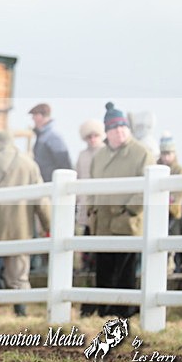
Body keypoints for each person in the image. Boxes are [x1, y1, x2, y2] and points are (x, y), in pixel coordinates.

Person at [87, 102, 153, 318]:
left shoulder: (141, 153)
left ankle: (124, 312)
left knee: (125, 270)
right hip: (102, 223)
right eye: (114, 128)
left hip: (126, 223)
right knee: (103, 269)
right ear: (107, 132)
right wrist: (91, 210)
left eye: (123, 126)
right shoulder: (99, 156)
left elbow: (147, 189)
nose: (120, 131)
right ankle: (104, 311)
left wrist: (129, 211)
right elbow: (91, 186)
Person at [0, 131, 50, 317]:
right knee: (19, 277)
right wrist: (49, 225)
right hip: (20, 228)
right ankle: (21, 313)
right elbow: (41, 200)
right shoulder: (29, 164)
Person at [76, 119, 106, 316]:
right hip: (85, 212)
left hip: (100, 212)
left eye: (95, 135)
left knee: (99, 258)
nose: (93, 139)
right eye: (89, 136)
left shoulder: (105, 153)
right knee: (86, 260)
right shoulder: (82, 156)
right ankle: (86, 302)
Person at [157, 133, 182, 273]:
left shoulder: (180, 170)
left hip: (175, 211)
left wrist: (172, 199)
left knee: (178, 237)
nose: (166, 157)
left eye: (168, 153)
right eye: (163, 153)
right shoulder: (157, 167)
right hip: (160, 211)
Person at [28, 103, 72, 182]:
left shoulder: (53, 138)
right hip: (45, 183)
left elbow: (64, 165)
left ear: (40, 116)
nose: (32, 119)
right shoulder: (42, 138)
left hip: (52, 184)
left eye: (34, 115)